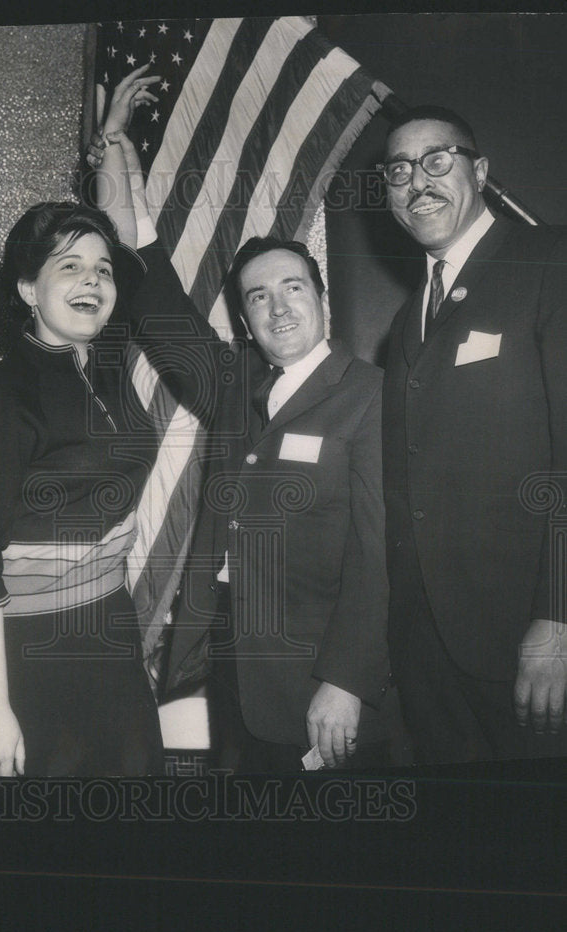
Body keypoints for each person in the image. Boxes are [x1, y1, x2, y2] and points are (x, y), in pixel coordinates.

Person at [88, 69, 393, 771]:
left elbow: (380, 559)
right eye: (259, 298)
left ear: (321, 299)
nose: (279, 307)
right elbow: (149, 287)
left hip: (319, 688)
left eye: (293, 288)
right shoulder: (233, 385)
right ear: (244, 322)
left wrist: (346, 682)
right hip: (221, 671)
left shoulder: (373, 394)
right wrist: (113, 147)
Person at [0, 201, 179, 777]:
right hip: (32, 655)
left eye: (103, 270)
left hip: (112, 634)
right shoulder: (4, 395)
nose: (92, 282)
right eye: (69, 266)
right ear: (29, 288)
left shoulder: (109, 373)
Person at [379, 105, 567, 763]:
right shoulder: (407, 321)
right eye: (399, 170)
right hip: (428, 657)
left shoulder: (549, 260)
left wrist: (558, 619)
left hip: (527, 642)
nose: (417, 182)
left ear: (479, 170)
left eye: (437, 160)